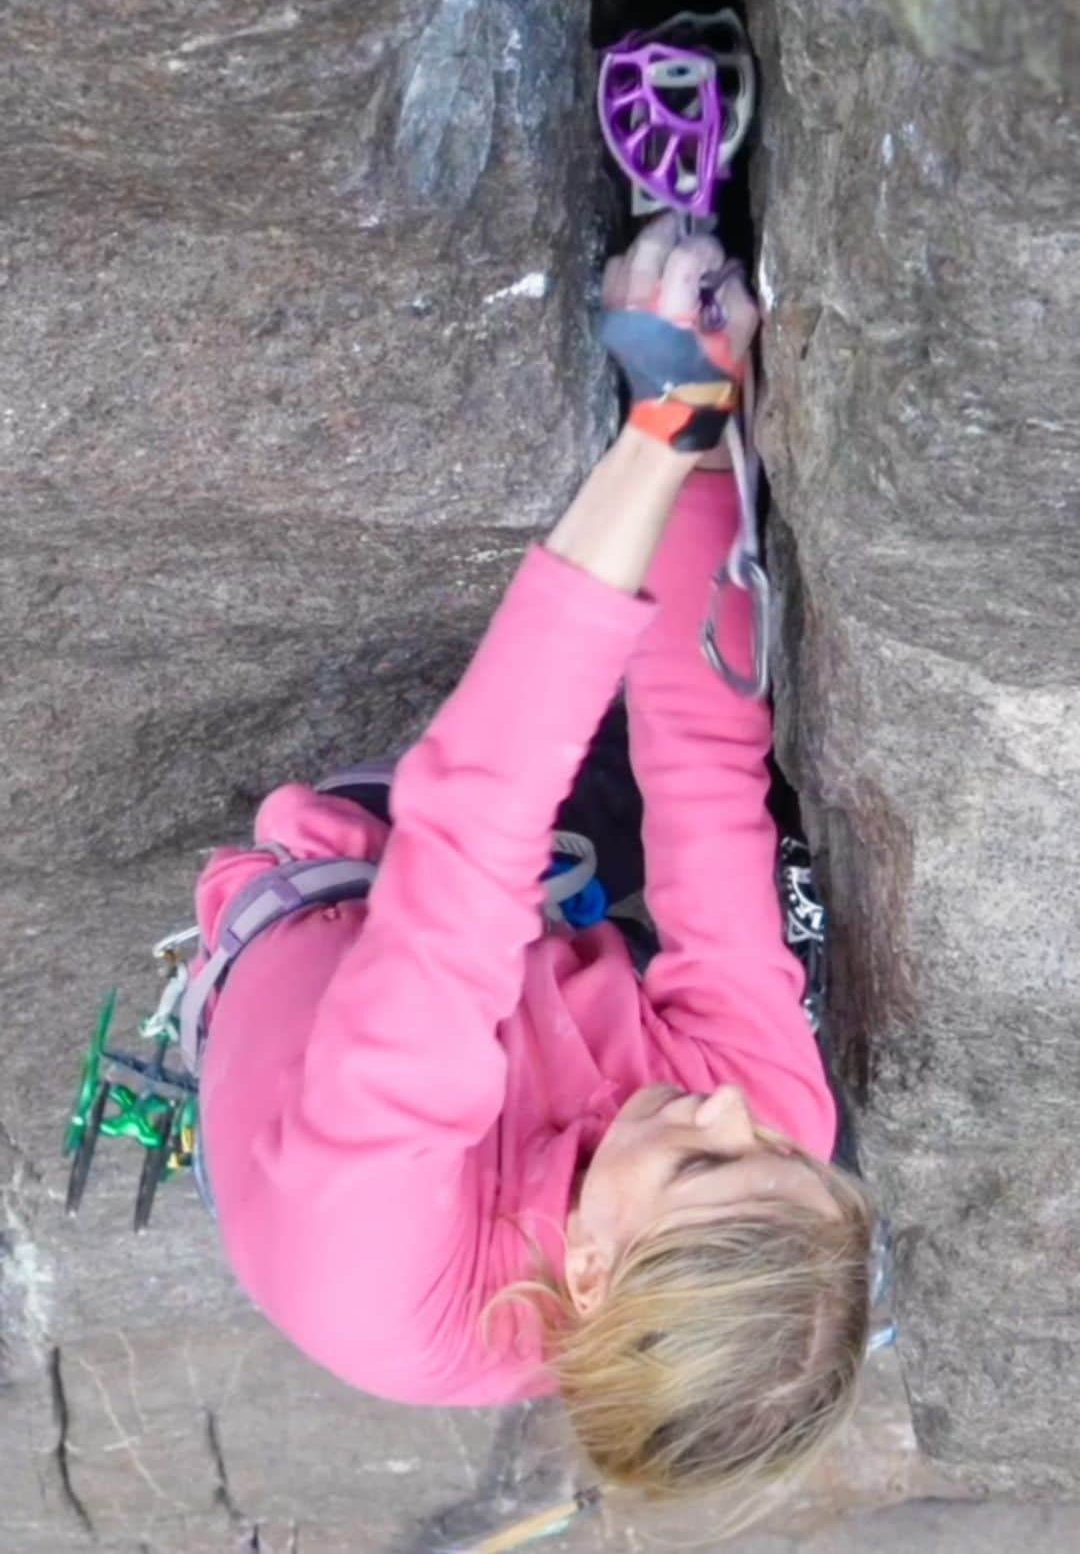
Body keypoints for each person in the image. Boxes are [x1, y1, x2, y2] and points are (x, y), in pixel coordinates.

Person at [194, 218, 873, 1515]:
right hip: (522, 965)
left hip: (355, 882)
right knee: (745, 839)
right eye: (781, 1152)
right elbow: (706, 777)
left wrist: (661, 421)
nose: (733, 1108)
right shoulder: (765, 1124)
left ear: (598, 1272)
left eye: (707, 1163)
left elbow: (463, 836)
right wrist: (712, 454)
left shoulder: (378, 1262)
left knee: (519, 777)